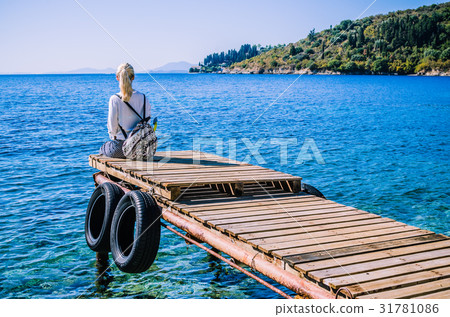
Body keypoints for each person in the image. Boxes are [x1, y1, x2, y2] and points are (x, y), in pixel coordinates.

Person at [100, 63, 151, 158]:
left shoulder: (114, 99)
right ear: (133, 77)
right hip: (142, 149)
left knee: (103, 148)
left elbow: (112, 128)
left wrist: (114, 137)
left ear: (117, 78)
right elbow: (147, 121)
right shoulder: (143, 97)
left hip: (122, 148)